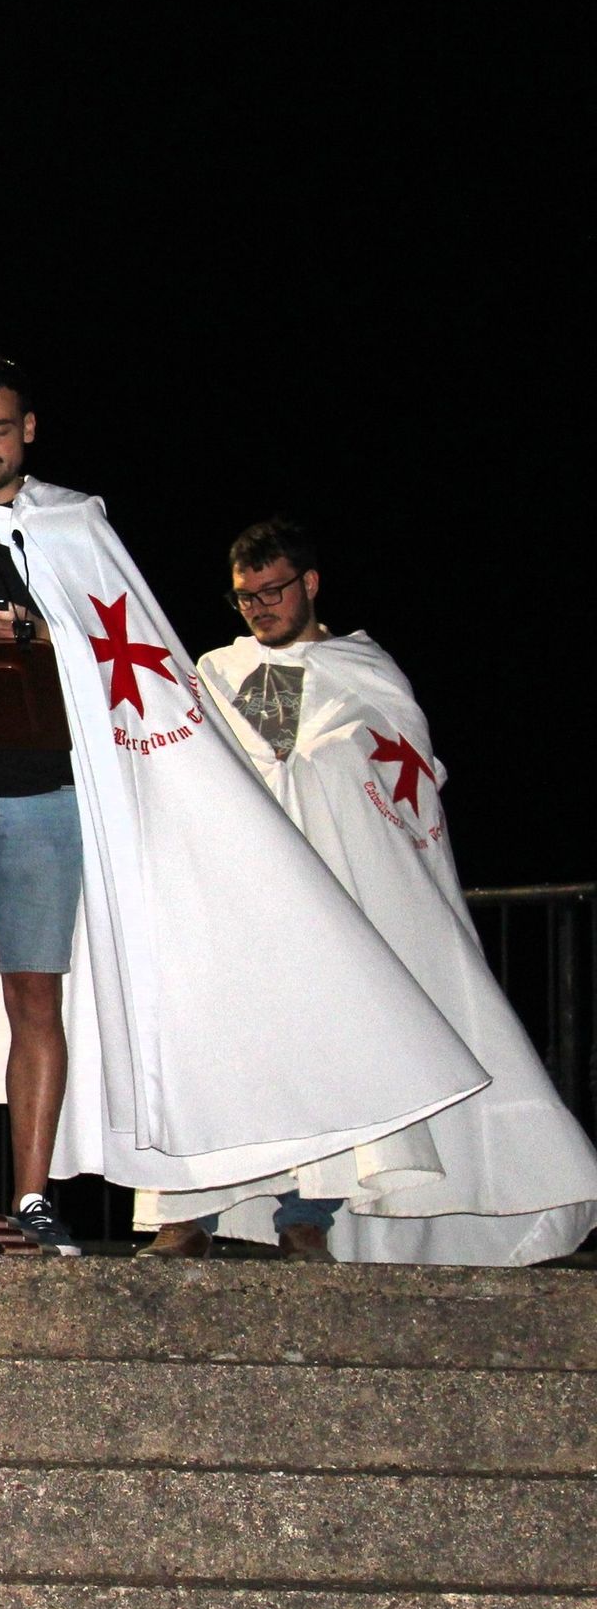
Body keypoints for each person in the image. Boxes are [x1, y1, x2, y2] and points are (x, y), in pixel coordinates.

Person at [0, 356, 491, 1253]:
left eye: (0, 428)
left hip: (40, 798)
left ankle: (31, 1198)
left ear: (29, 429)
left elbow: (117, 662)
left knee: (35, 995)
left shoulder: (74, 524)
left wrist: (38, 631)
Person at [138, 519, 597, 1263]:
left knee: (335, 1048)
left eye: (273, 591)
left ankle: (306, 1216)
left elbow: (395, 767)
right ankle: (188, 1215)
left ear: (310, 583)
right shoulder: (215, 671)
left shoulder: (362, 670)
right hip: (238, 902)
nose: (260, 608)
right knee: (221, 1054)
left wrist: (318, 772)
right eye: (246, 596)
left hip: (337, 899)